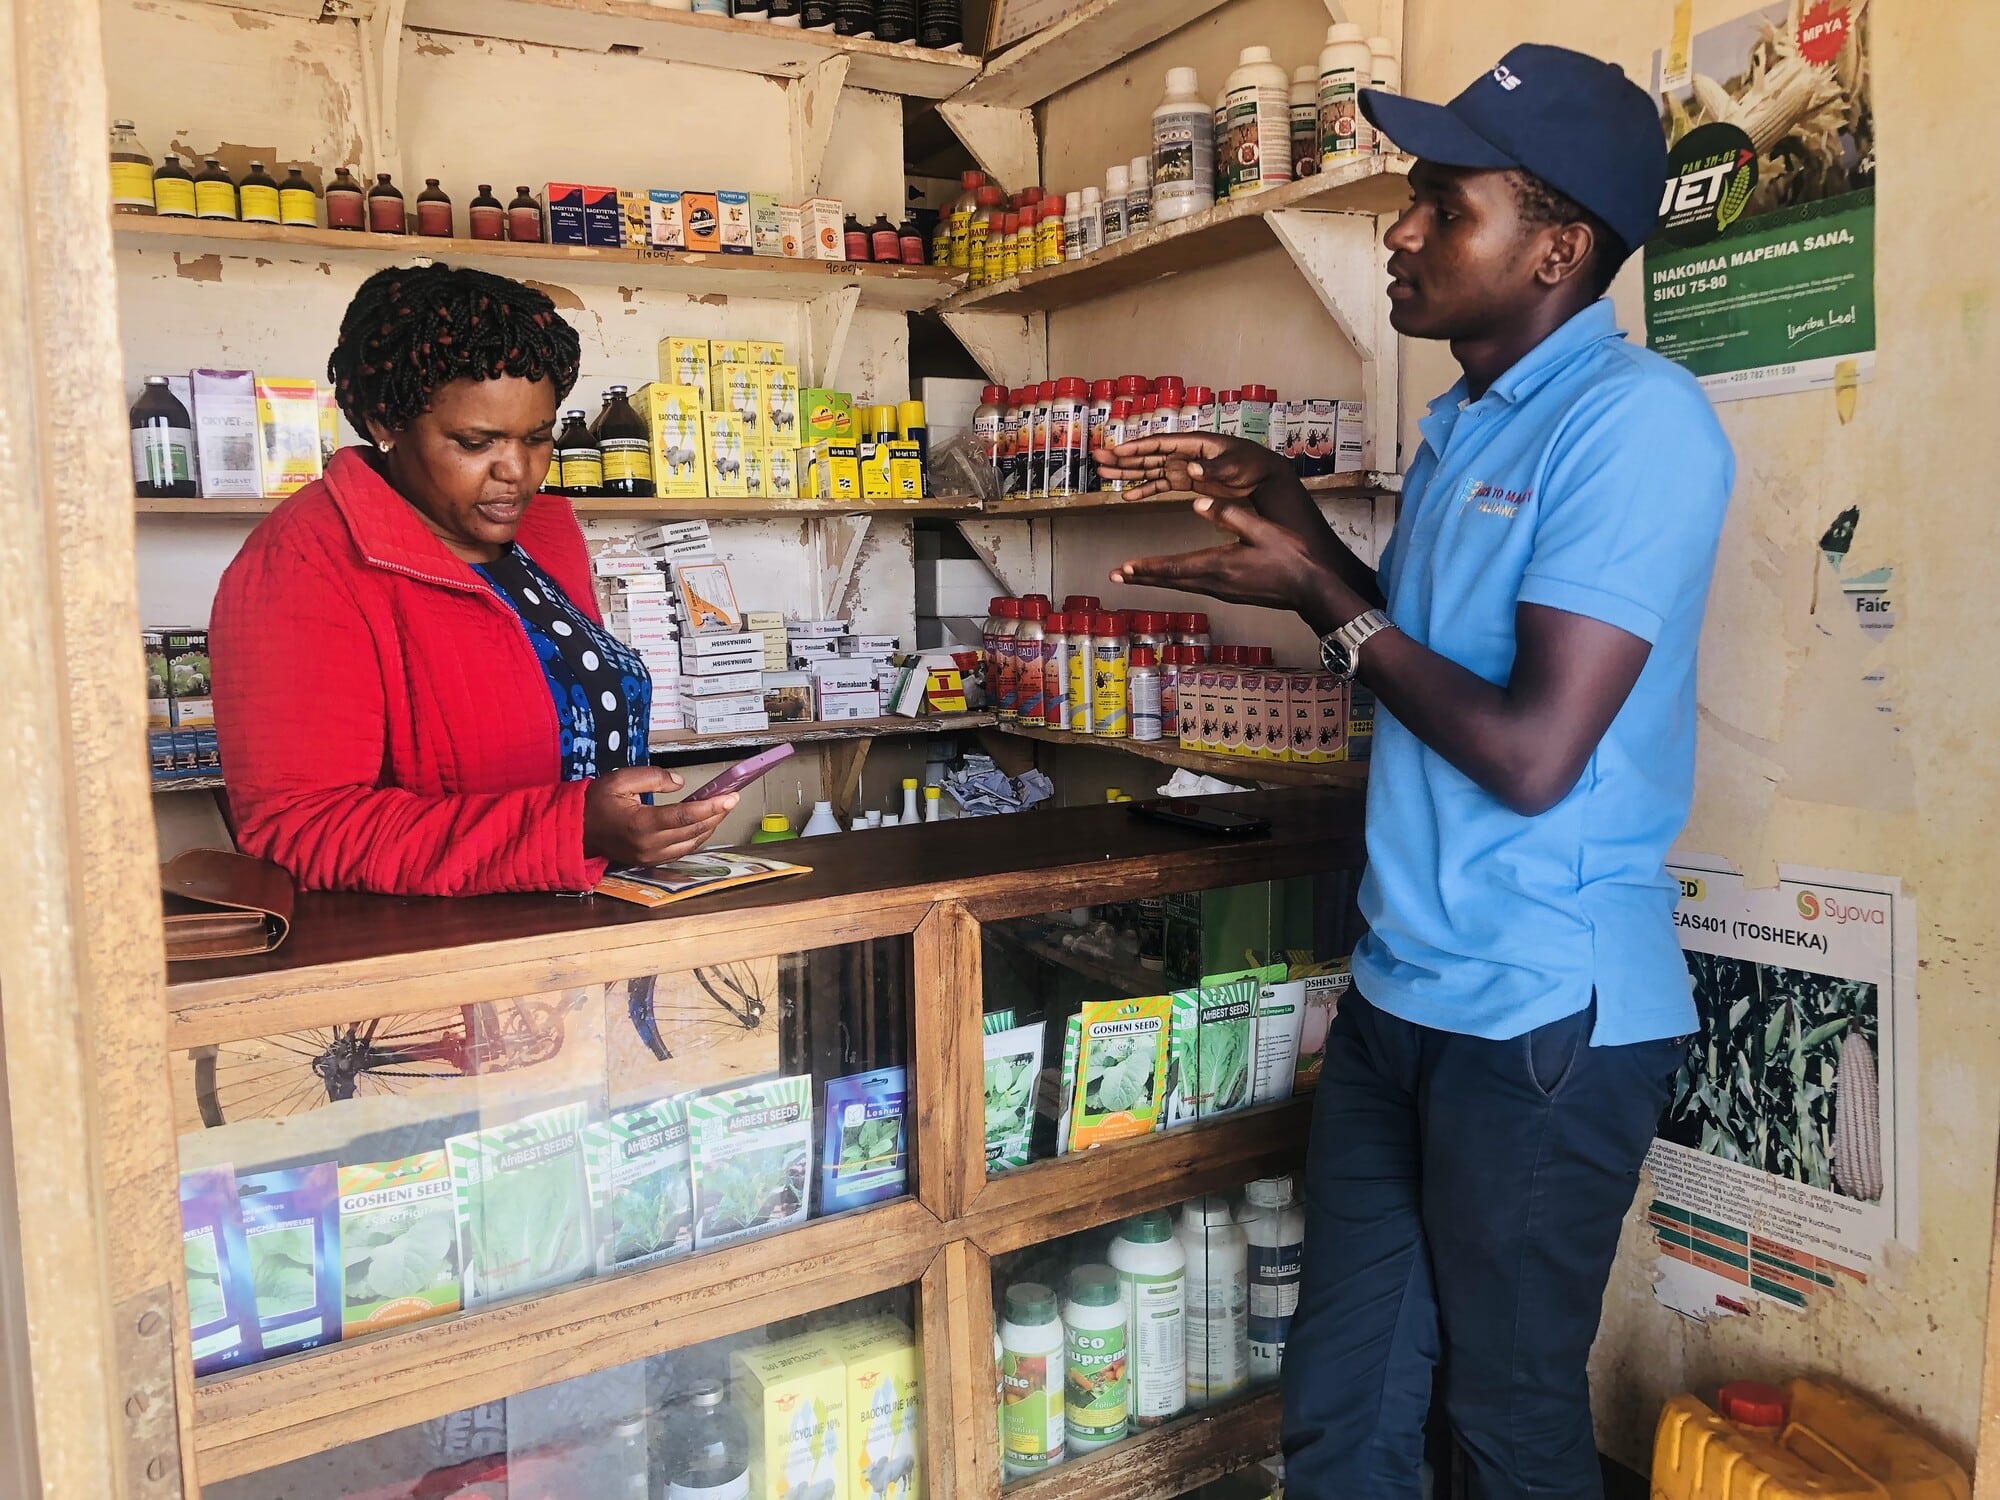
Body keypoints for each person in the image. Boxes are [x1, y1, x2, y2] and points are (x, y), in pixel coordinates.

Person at [1096, 45, 1735, 1500]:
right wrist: (1298, 528)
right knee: (1346, 1401)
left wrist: (1327, 596)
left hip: (1545, 1020)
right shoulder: (1467, 421)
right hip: (1403, 994)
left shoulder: (1634, 424)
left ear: (1558, 249)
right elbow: (1418, 653)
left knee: (1502, 1425)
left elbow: (1528, 750)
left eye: (1444, 206)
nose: (1401, 229)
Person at [211, 264, 735, 897]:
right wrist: (571, 830)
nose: (515, 470)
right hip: (445, 963)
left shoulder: (542, 537)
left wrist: (632, 830)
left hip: (596, 923)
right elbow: (295, 827)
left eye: (537, 438)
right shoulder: (306, 562)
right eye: (474, 441)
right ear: (386, 423)